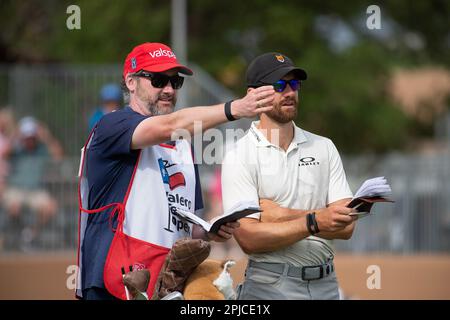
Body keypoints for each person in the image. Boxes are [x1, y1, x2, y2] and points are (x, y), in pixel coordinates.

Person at [76, 42, 275, 300]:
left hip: (164, 282)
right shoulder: (113, 124)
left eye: (175, 82)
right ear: (131, 82)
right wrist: (234, 109)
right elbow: (169, 124)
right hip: (114, 281)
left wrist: (211, 231)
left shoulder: (183, 145)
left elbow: (189, 225)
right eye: (158, 80)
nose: (169, 89)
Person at [221, 52, 357, 300]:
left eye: (294, 84)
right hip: (269, 287)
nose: (290, 92)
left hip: (327, 285)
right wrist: (315, 221)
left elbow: (346, 226)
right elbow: (249, 238)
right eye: (279, 85)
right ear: (253, 94)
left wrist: (280, 215)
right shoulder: (238, 154)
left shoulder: (324, 146)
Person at [2, 116, 63, 250]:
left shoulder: (41, 150)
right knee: (14, 207)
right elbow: (5, 153)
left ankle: (29, 235)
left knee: (50, 208)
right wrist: (15, 135)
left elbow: (58, 155)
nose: (29, 140)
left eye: (31, 136)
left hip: (35, 191)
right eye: (26, 137)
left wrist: (46, 136)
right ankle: (17, 238)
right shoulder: (16, 150)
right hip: (16, 189)